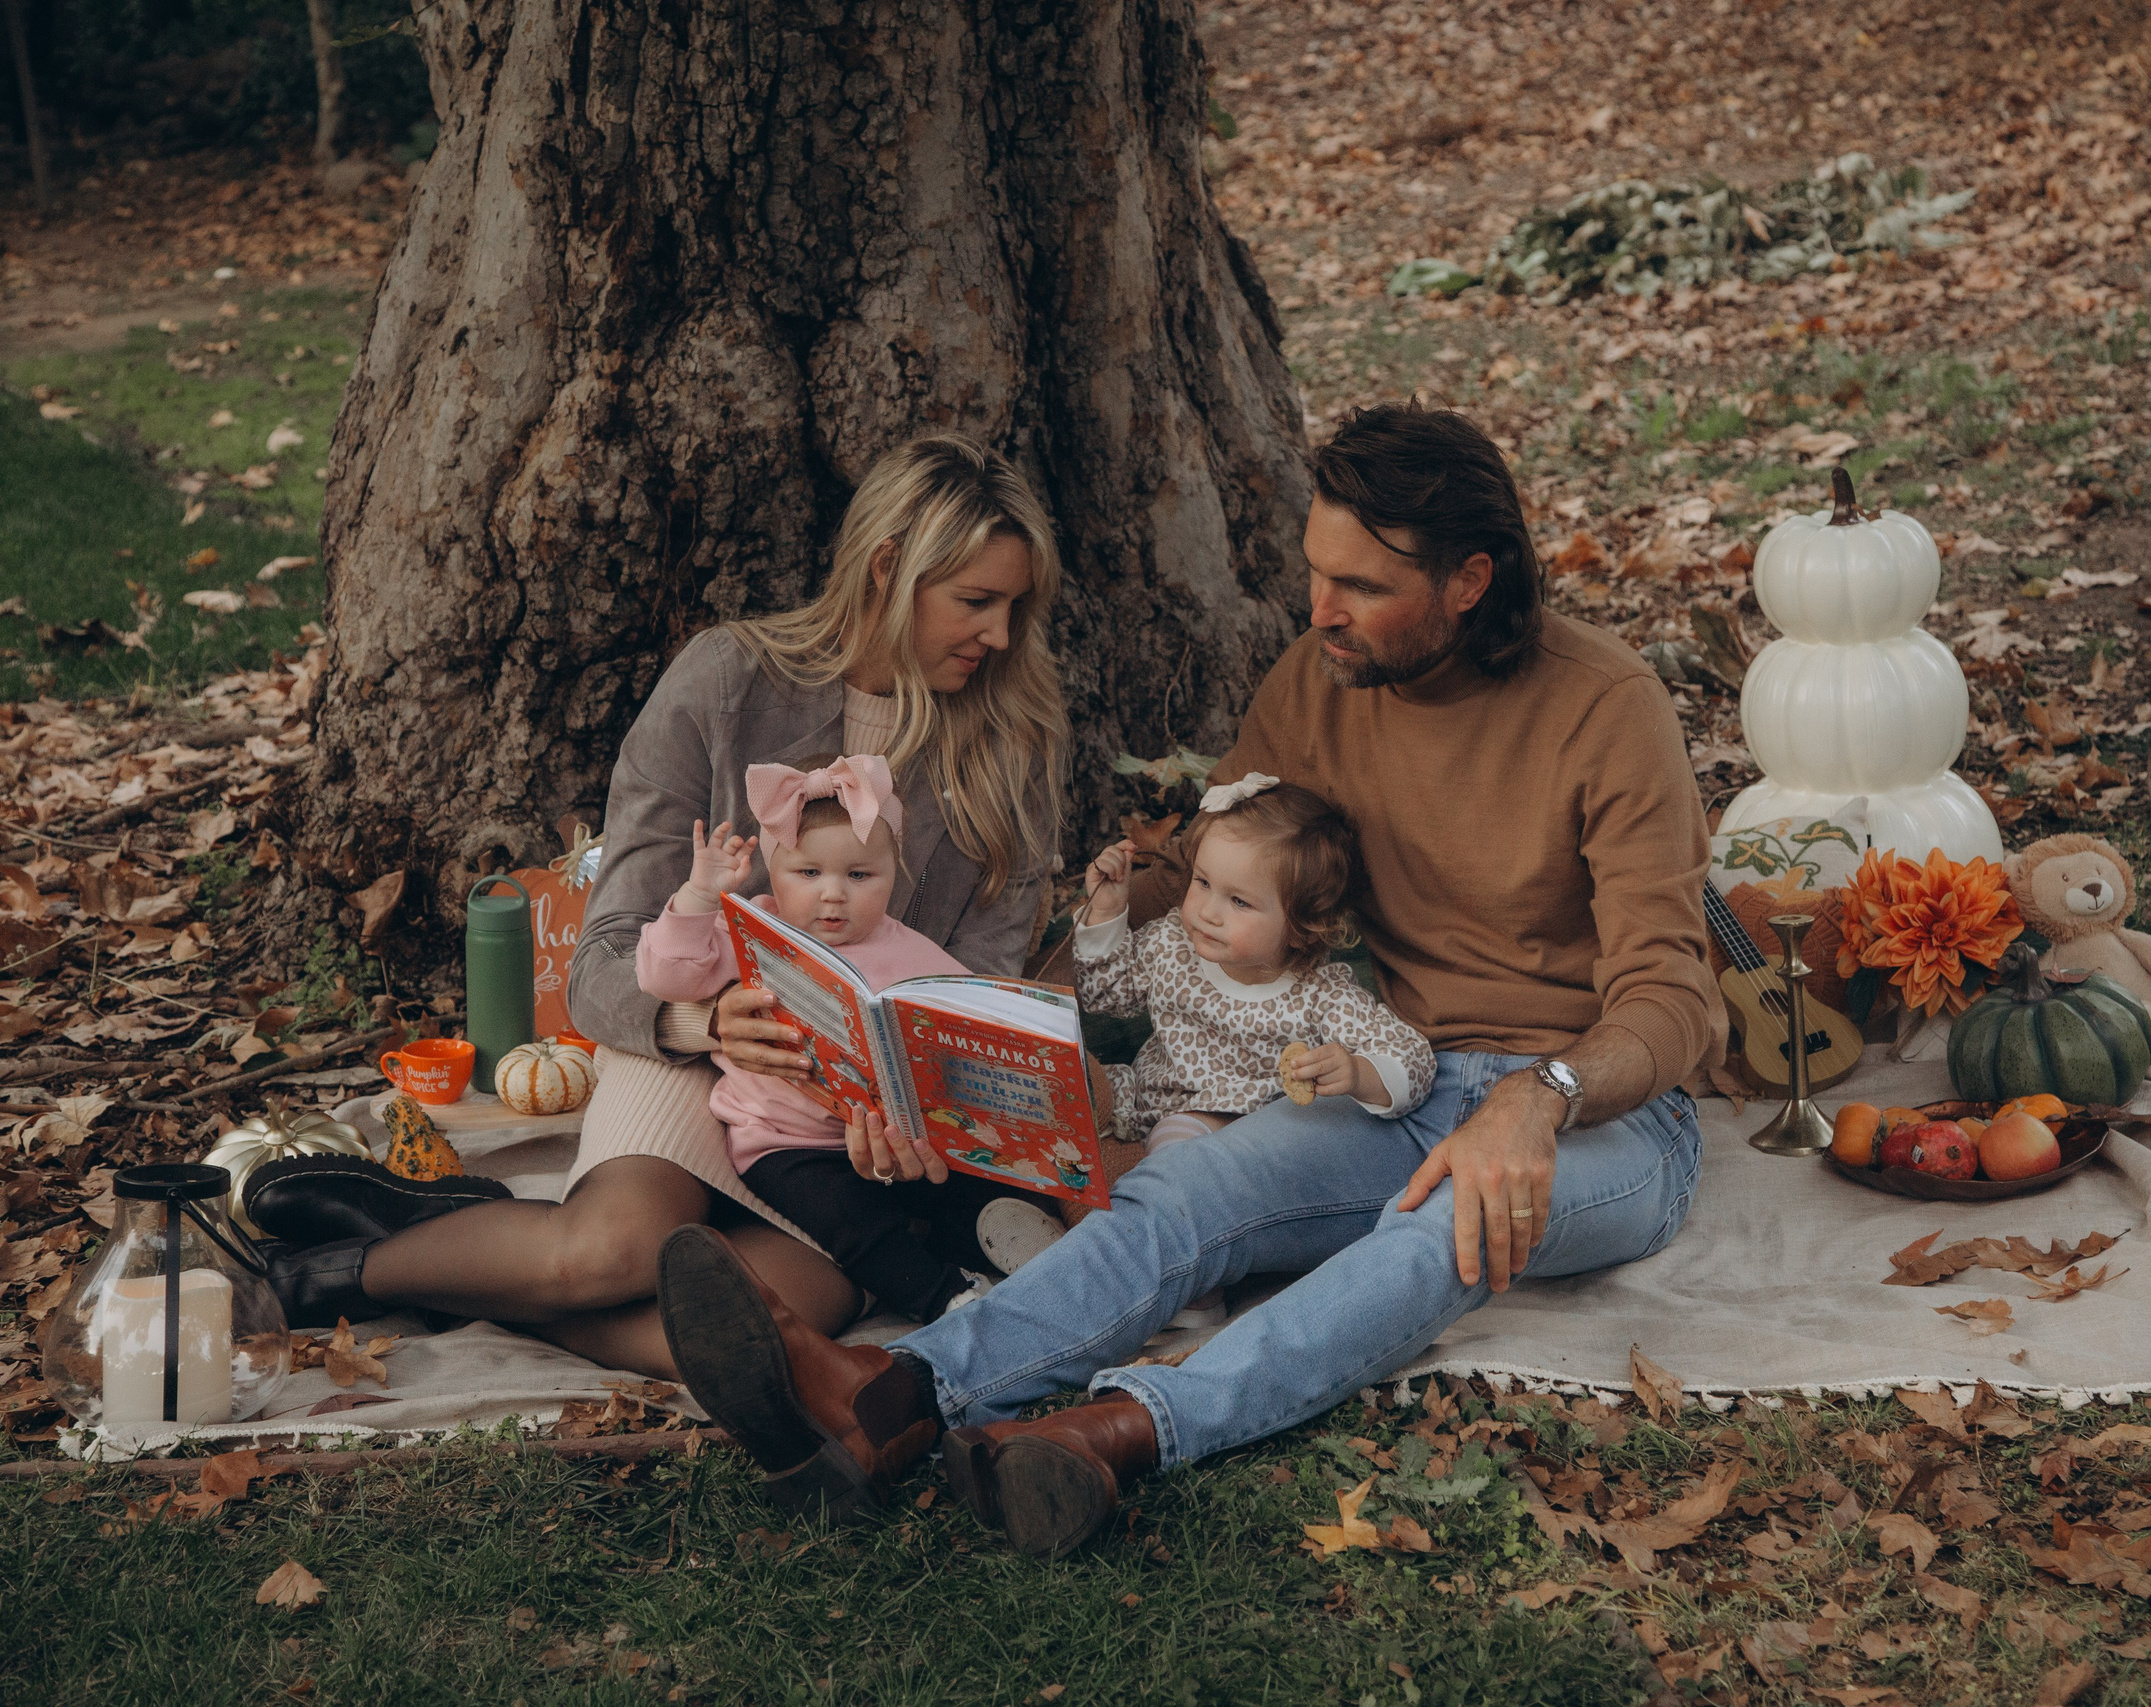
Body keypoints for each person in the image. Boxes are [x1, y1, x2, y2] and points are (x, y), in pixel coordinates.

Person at [658, 401, 1724, 1549]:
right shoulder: (1326, 679)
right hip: (1394, 1084)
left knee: (1442, 1231)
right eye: (1316, 574)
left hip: (1601, 1121)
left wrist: (1541, 1097)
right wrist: (1010, 1018)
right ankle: (889, 1401)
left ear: (1470, 580)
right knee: (1187, 1192)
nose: (1323, 612)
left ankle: (1118, 1434)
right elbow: (1183, 875)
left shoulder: (1606, 708)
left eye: (1362, 586)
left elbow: (1672, 996)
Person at [244, 437, 1070, 1379]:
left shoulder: (1012, 741)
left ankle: (466, 1267)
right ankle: (317, 1278)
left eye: (1014, 607)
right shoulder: (725, 683)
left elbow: (980, 993)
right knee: (609, 1256)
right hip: (686, 1044)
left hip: (846, 1131)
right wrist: (700, 1017)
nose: (1001, 637)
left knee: (758, 1331)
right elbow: (601, 956)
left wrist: (907, 1115)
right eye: (975, 602)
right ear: (890, 568)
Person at [635, 755, 1034, 1325]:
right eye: (808, 873)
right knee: (853, 1222)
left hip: (886, 1138)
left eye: (858, 875)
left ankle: (989, 1242)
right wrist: (700, 898)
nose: (833, 895)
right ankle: (946, 1298)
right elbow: (664, 975)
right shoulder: (750, 932)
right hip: (785, 1145)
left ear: (894, 878)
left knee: (966, 1180)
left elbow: (958, 1030)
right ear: (774, 872)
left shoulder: (912, 953)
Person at [1072, 774, 1439, 1326]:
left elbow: (1414, 1061)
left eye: (1239, 901)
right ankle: (1080, 1225)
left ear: (1302, 927)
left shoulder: (1322, 994)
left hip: (1243, 1142)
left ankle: (1190, 1290)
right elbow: (1107, 992)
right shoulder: (1173, 944)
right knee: (1076, 1100)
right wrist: (1107, 913)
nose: (1207, 911)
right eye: (1201, 883)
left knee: (1177, 1155)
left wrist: (1359, 1072)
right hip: (1149, 1104)